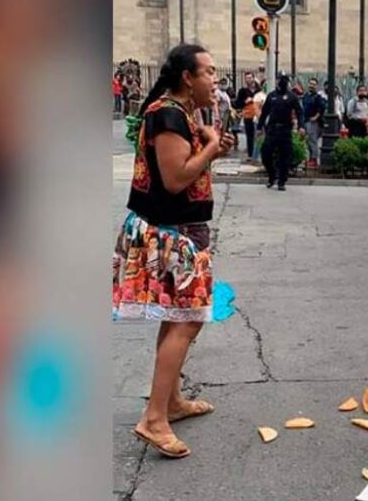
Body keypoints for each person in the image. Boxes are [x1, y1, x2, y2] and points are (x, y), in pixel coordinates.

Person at [113, 43, 236, 459]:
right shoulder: (168, 114)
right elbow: (176, 178)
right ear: (188, 77)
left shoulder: (181, 113)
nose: (215, 81)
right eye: (210, 73)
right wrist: (211, 147)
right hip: (173, 234)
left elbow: (189, 166)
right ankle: (153, 418)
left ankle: (171, 401)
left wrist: (211, 147)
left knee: (177, 319)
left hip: (179, 230)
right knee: (187, 322)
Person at [256, 74, 304, 191]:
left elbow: (299, 112)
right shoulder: (272, 95)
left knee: (285, 156)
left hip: (285, 130)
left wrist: (301, 127)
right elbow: (264, 112)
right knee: (265, 153)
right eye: (279, 80)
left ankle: (282, 181)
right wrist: (259, 127)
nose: (281, 82)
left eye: (284, 80)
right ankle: (272, 176)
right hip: (272, 129)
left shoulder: (292, 96)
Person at [233, 72, 260, 161]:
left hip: (257, 115)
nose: (248, 80)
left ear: (253, 78)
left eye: (249, 78)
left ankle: (257, 154)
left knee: (258, 135)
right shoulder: (243, 91)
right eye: (246, 78)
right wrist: (245, 102)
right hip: (248, 115)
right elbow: (237, 104)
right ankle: (250, 154)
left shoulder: (258, 91)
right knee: (249, 135)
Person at [301, 77, 328, 168]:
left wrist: (316, 117)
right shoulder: (306, 96)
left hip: (313, 122)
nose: (311, 86)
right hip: (306, 120)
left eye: (314, 84)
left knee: (313, 141)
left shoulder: (318, 97)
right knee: (308, 141)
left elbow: (321, 108)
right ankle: (310, 158)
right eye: (310, 84)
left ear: (316, 86)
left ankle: (314, 159)